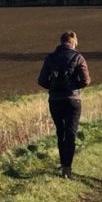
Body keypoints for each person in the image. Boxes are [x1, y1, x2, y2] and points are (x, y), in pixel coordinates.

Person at [37, 30, 91, 178]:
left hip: (55, 100)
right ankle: (67, 167)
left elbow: (41, 80)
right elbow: (86, 80)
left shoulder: (50, 58)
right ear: (73, 42)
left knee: (61, 132)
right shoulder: (78, 57)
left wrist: (54, 88)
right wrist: (74, 87)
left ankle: (62, 164)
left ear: (61, 42)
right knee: (71, 133)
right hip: (73, 100)